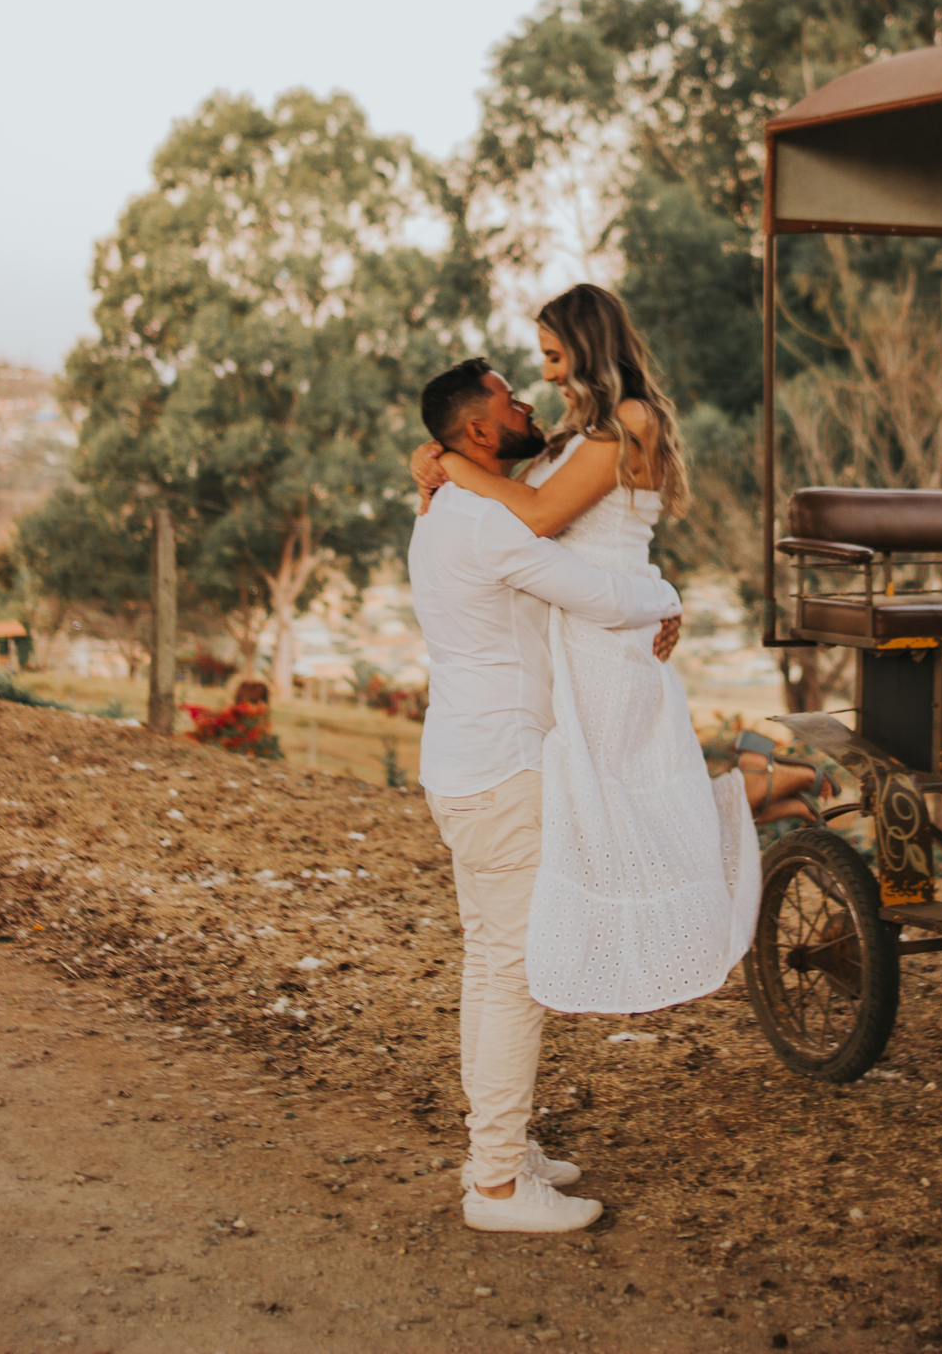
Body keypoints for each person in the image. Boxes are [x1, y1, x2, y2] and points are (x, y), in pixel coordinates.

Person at [413, 283, 806, 1022]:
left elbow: (534, 514)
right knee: (613, 804)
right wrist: (433, 455)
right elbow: (517, 493)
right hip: (590, 627)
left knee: (628, 805)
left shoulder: (631, 419)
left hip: (613, 636)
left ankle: (783, 781)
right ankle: (778, 790)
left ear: (589, 346)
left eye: (556, 357)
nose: (550, 375)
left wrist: (454, 467)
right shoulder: (577, 432)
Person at [408, 355, 682, 1236]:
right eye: (509, 399)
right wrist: (664, 592)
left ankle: (500, 1151)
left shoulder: (458, 505)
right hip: (500, 774)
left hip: (469, 765)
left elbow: (548, 497)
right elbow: (596, 594)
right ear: (481, 431)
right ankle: (494, 1185)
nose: (528, 402)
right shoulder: (486, 525)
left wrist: (438, 459)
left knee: (493, 963)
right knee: (510, 973)